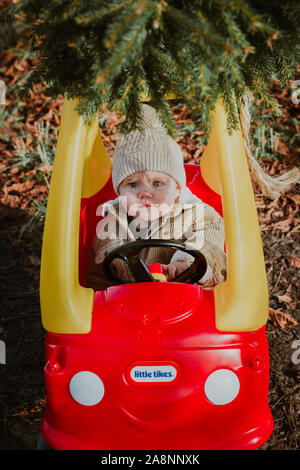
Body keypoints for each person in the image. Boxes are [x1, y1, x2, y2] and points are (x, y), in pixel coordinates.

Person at [86, 104, 226, 291]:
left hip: (188, 300)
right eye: (133, 184)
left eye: (157, 183)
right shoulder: (115, 220)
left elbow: (209, 242)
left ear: (177, 187)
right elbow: (105, 251)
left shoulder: (197, 214)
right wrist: (125, 266)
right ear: (119, 190)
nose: (145, 194)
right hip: (126, 304)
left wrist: (187, 264)